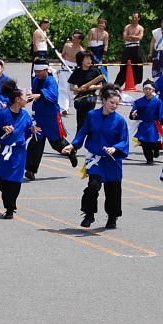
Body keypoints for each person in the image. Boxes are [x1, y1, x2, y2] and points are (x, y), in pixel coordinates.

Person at [62, 85, 130, 229]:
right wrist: (73, 145)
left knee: (113, 190)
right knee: (93, 186)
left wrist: (115, 148)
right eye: (112, 102)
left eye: (117, 104)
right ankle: (89, 214)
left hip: (112, 160)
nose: (114, 106)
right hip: (96, 159)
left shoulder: (120, 121)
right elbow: (83, 132)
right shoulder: (92, 115)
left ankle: (112, 217)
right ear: (104, 100)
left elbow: (124, 140)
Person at [25, 59, 78, 180]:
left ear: (46, 70)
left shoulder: (51, 81)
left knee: (56, 142)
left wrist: (39, 95)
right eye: (35, 71)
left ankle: (70, 152)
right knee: (36, 142)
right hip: (39, 115)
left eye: (39, 71)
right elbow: (35, 95)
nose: (37, 74)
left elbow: (53, 96)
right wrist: (28, 98)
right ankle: (30, 170)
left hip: (50, 117)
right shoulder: (36, 80)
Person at [0, 87, 36, 219]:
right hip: (4, 151)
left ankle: (10, 208)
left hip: (19, 152)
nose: (27, 98)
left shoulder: (25, 115)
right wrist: (3, 129)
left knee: (15, 180)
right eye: (25, 96)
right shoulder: (3, 114)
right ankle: (7, 198)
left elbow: (27, 131)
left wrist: (32, 130)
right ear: (18, 99)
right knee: (2, 182)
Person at [129, 79, 163, 165]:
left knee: (155, 142)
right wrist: (133, 114)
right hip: (143, 125)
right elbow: (133, 112)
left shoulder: (158, 102)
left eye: (149, 89)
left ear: (153, 90)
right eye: (145, 89)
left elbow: (162, 112)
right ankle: (149, 159)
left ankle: (156, 149)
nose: (147, 91)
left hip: (154, 125)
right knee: (144, 143)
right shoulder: (138, 102)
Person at [68, 51, 105, 135]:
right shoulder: (77, 71)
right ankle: (78, 139)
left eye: (90, 59)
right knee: (80, 121)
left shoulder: (95, 71)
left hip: (91, 98)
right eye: (87, 59)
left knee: (89, 117)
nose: (89, 61)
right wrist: (77, 89)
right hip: (80, 98)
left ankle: (92, 137)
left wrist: (93, 86)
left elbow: (101, 85)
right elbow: (71, 87)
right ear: (81, 60)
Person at [114, 11, 145, 86]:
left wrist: (131, 36)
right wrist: (134, 37)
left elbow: (140, 37)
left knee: (138, 66)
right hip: (128, 48)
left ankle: (135, 83)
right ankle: (117, 85)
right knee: (124, 66)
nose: (134, 19)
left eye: (135, 17)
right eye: (133, 17)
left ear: (138, 18)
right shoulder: (127, 27)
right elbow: (125, 37)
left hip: (137, 48)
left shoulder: (140, 28)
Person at [58, 30, 85, 113]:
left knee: (71, 89)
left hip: (74, 70)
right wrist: (62, 63)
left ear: (79, 40)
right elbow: (62, 56)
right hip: (65, 68)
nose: (73, 38)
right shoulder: (67, 46)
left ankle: (68, 104)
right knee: (63, 88)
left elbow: (81, 63)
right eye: (73, 36)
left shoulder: (81, 50)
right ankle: (64, 107)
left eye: (75, 37)